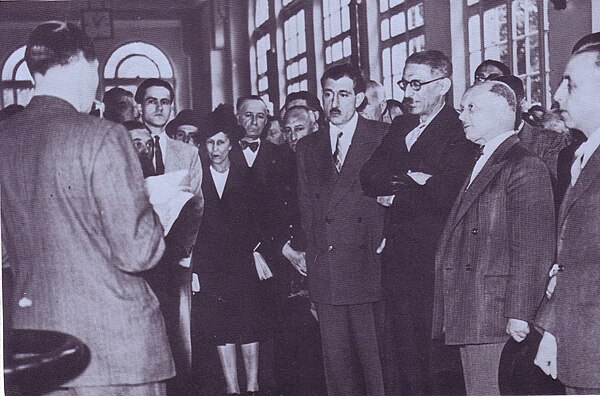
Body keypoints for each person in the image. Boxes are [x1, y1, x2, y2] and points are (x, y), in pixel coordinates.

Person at [0, 21, 173, 395]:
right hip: (115, 350)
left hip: (37, 350)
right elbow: (138, 252)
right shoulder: (103, 135)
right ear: (85, 64)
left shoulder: (5, 138)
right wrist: (154, 208)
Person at [360, 50, 477, 395]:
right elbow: (369, 177)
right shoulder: (401, 125)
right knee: (402, 353)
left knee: (434, 356)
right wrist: (414, 178)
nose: (408, 93)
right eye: (405, 83)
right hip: (397, 257)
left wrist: (396, 190)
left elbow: (444, 192)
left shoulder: (458, 130)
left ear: (442, 86)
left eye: (416, 84)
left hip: (434, 260)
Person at [432, 80, 555, 395]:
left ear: (502, 110)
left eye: (470, 107)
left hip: (494, 313)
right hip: (473, 308)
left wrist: (519, 312)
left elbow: (533, 247)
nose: (462, 116)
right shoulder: (483, 158)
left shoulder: (524, 165)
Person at [296, 63, 389, 396]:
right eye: (328, 93)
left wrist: (386, 237)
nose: (334, 102)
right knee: (337, 373)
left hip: (369, 270)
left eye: (344, 94)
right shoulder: (308, 147)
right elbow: (308, 214)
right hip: (328, 274)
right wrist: (313, 274)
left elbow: (397, 201)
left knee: (378, 369)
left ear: (359, 98)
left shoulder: (381, 137)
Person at [534, 42, 600, 395]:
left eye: (570, 84)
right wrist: (553, 331)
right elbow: (572, 262)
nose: (557, 95)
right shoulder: (583, 155)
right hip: (580, 348)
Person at [192, 108, 270, 395]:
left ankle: (252, 386)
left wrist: (258, 251)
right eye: (210, 143)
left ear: (231, 144)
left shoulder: (248, 178)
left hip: (242, 262)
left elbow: (262, 220)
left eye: (221, 143)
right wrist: (195, 269)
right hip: (211, 265)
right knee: (220, 326)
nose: (215, 149)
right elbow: (192, 227)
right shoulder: (197, 180)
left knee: (248, 324)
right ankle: (232, 388)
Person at [135, 77, 203, 394]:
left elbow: (196, 205)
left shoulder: (186, 154)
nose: (159, 107)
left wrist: (180, 250)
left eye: (165, 101)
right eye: (152, 101)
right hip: (134, 258)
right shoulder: (123, 146)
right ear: (139, 106)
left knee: (177, 335)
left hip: (174, 258)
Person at [492, 75, 566, 181]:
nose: (496, 111)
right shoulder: (479, 142)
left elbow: (550, 186)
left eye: (504, 104)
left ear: (522, 104)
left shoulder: (550, 141)